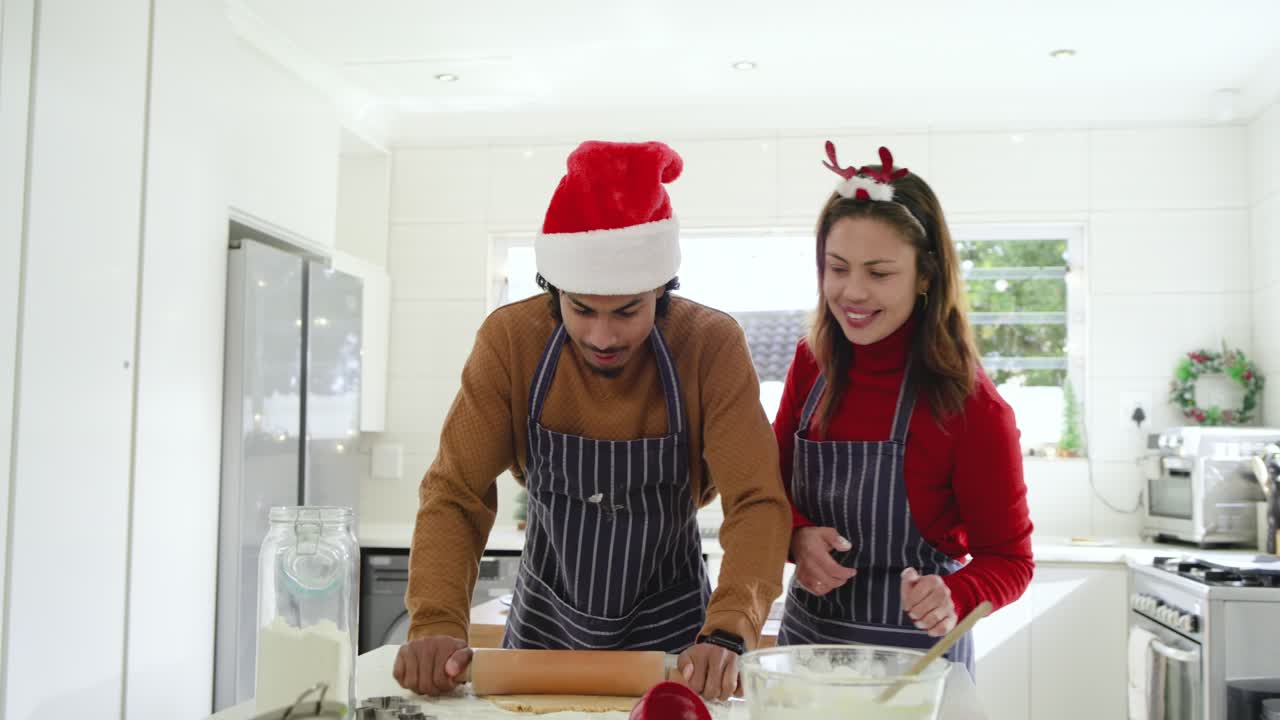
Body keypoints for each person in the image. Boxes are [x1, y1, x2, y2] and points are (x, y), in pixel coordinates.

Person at [393, 140, 791, 701]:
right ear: (554, 292)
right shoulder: (511, 342)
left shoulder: (708, 345)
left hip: (678, 648)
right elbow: (456, 491)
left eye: (628, 310)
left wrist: (729, 630)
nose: (603, 337)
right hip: (540, 640)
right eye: (582, 309)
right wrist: (435, 621)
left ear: (661, 290)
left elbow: (756, 501)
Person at [772, 143, 1034, 676]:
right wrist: (796, 534)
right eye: (837, 268)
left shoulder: (970, 405)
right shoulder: (810, 363)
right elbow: (768, 488)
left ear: (925, 276)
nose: (853, 292)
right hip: (806, 648)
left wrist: (955, 594)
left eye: (880, 273)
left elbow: (1011, 560)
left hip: (914, 665)